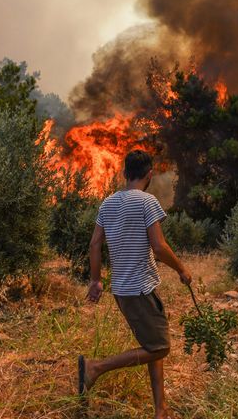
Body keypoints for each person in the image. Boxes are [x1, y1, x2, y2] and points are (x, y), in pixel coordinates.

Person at [78, 149, 192, 419]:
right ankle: (95, 368)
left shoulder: (107, 203)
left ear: (124, 173)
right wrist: (182, 269)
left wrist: (95, 281)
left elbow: (94, 244)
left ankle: (160, 410)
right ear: (149, 174)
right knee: (160, 347)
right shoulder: (147, 201)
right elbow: (159, 247)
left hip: (122, 290)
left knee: (153, 344)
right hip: (140, 289)